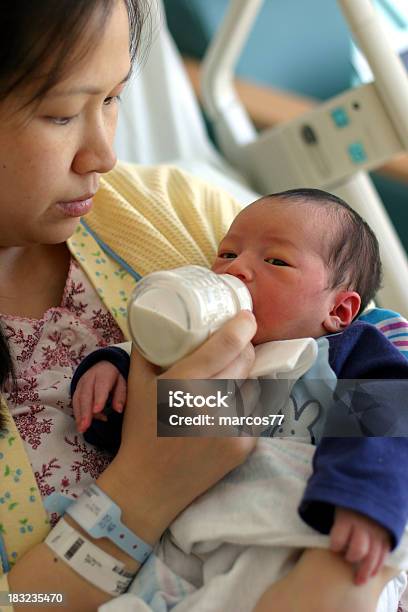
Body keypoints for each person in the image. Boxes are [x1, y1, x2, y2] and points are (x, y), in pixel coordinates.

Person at [0, 1, 402, 610]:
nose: (105, 156)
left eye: (112, 99)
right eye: (60, 114)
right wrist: (145, 485)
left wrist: (346, 568)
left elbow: (381, 359)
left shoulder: (170, 209)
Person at [71, 189, 408, 594]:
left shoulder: (344, 352)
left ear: (338, 311)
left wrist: (363, 494)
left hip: (306, 535)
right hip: (190, 552)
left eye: (276, 261)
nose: (237, 270)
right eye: (228, 254)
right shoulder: (199, 345)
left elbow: (387, 417)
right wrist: (112, 373)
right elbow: (158, 419)